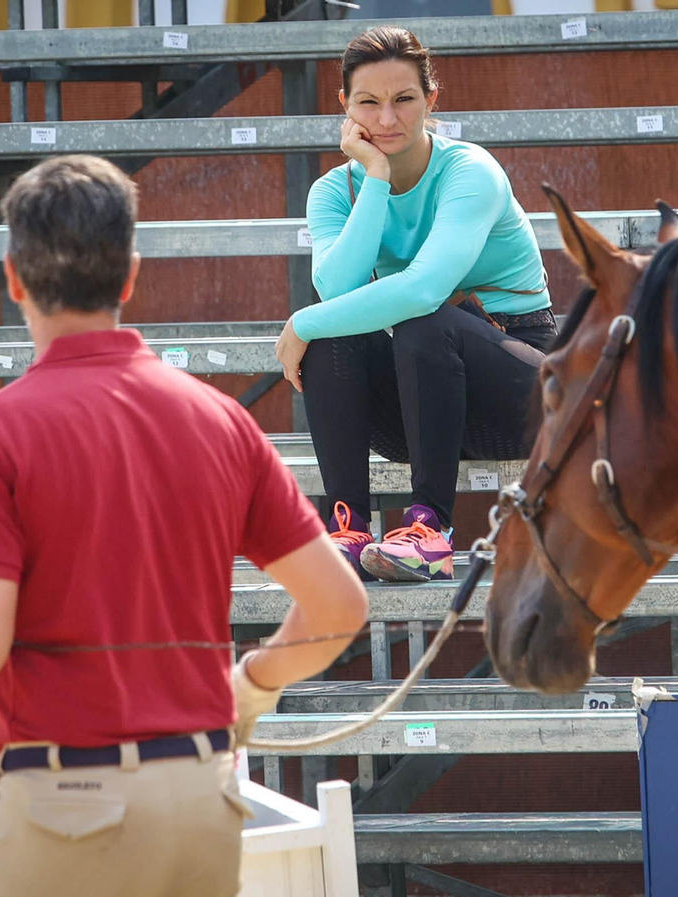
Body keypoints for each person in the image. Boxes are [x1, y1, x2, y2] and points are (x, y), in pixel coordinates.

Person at [0, 154, 369, 897]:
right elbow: (340, 608)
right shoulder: (221, 419)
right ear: (130, 275)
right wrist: (251, 681)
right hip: (200, 804)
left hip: (64, 812)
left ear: (14, 277)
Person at [272, 26, 556, 585]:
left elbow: (425, 290)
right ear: (344, 108)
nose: (386, 120)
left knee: (419, 318)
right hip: (421, 404)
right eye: (368, 103)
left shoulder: (470, 170)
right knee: (337, 331)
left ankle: (429, 530)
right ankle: (347, 530)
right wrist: (374, 179)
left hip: (520, 394)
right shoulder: (335, 191)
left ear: (431, 100)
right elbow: (338, 293)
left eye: (403, 99)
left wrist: (300, 321)